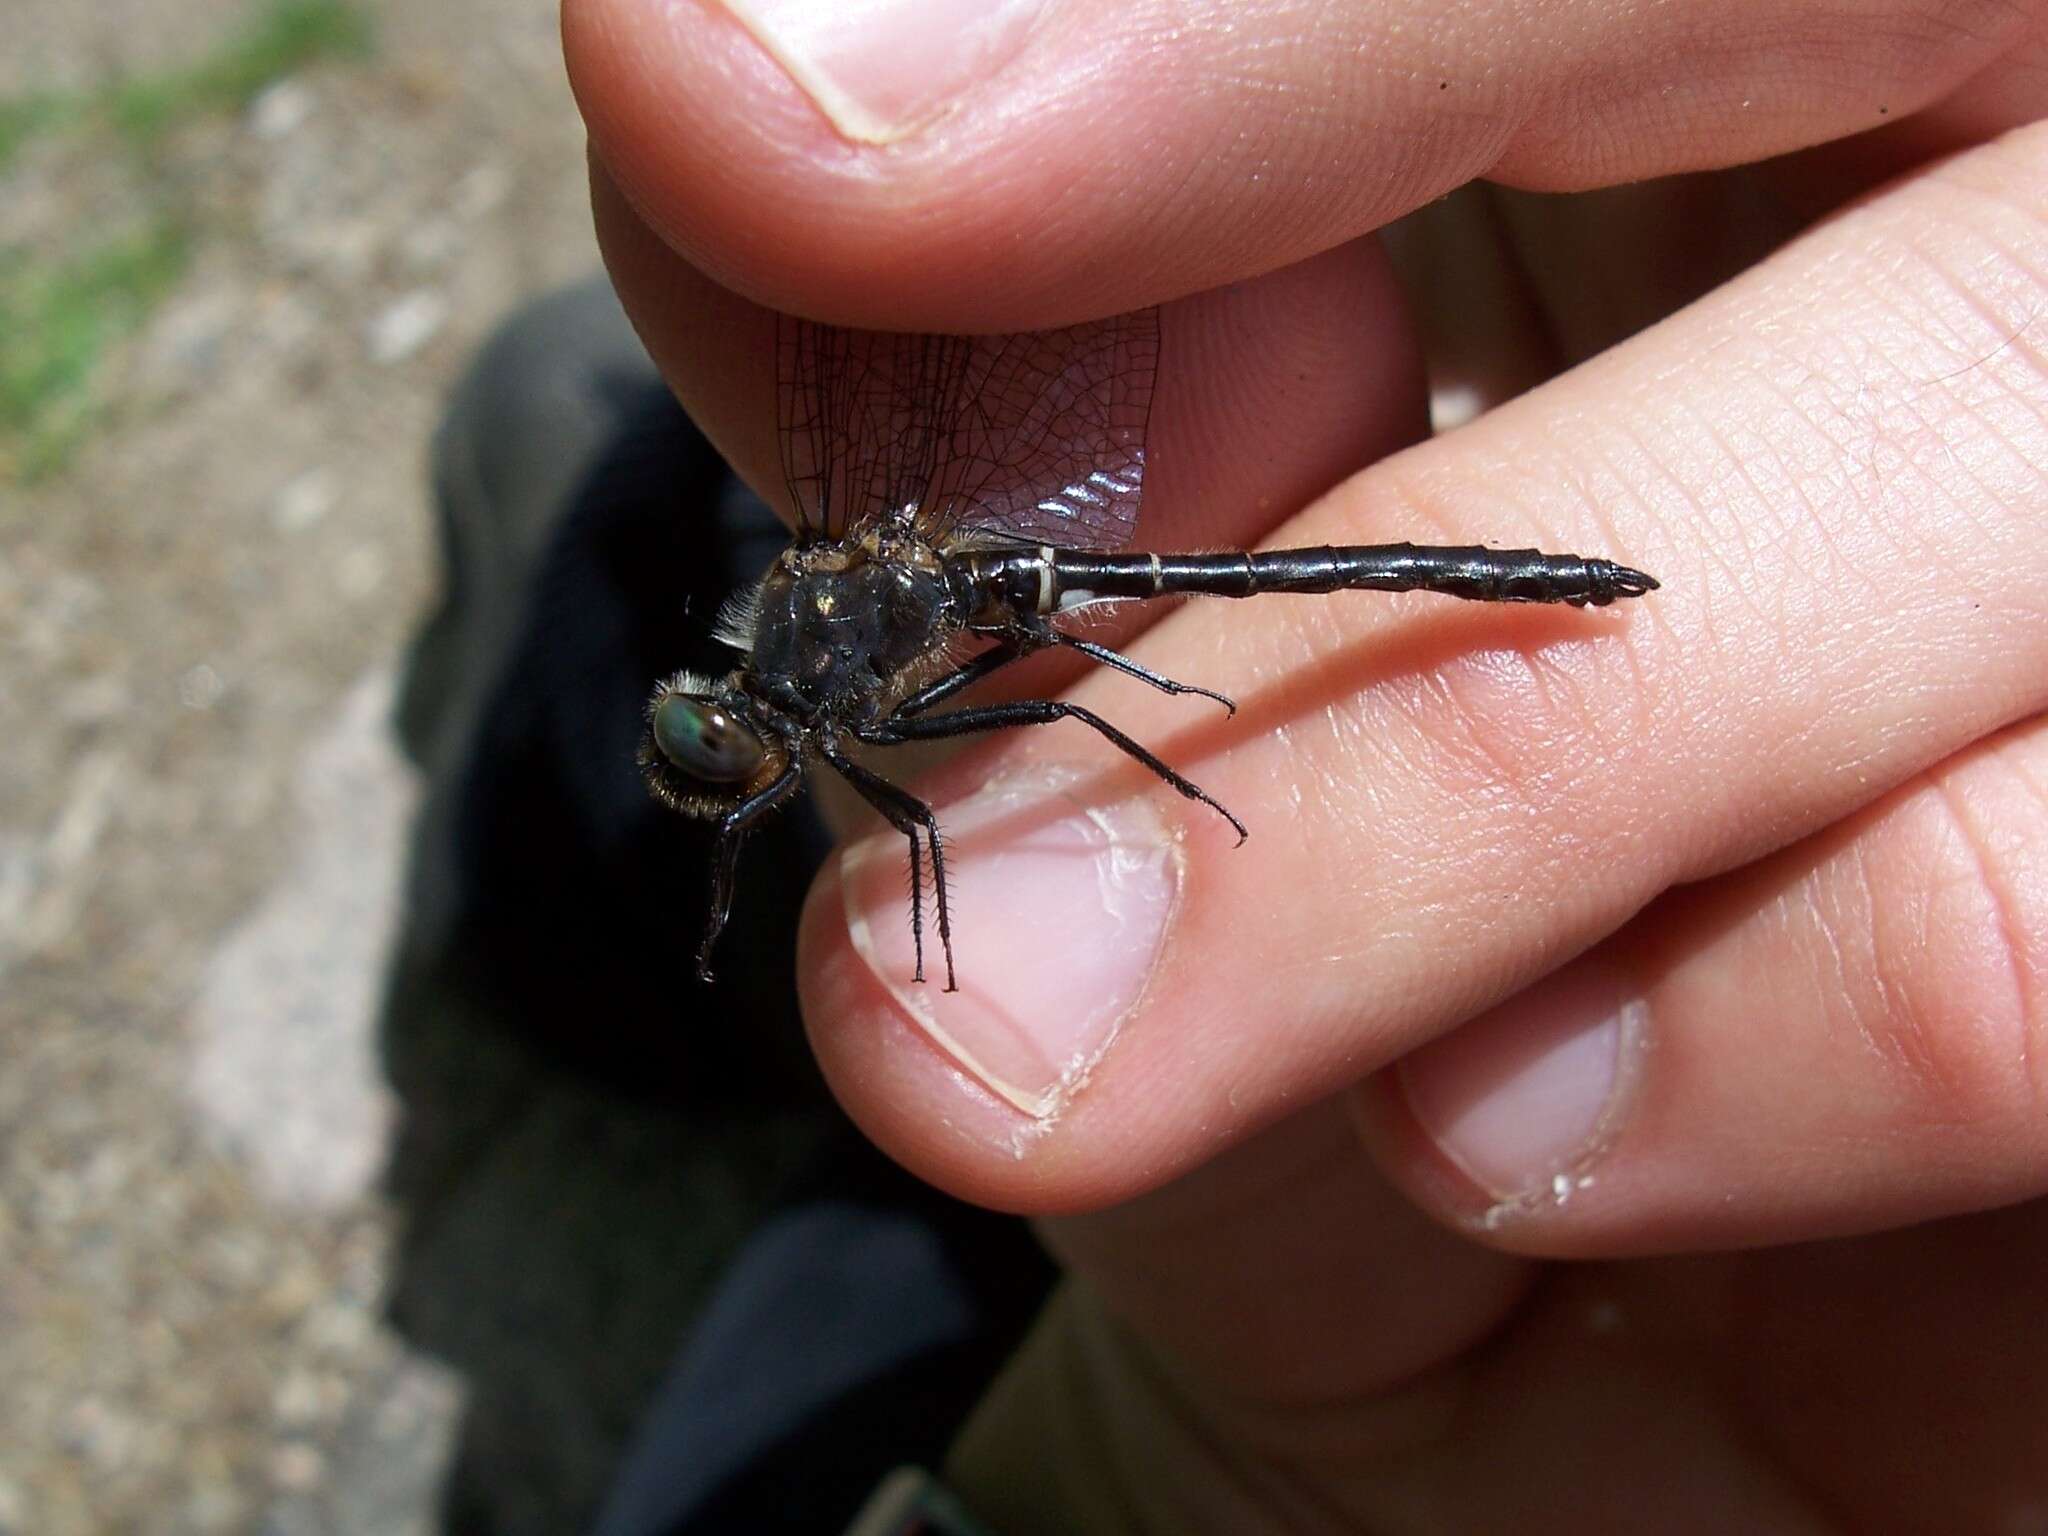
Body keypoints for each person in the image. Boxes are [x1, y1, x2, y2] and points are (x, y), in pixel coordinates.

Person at [552, 0, 2048, 1529]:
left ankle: (574, 553)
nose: (718, 751)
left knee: (1003, 742)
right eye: (709, 745)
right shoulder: (819, 670)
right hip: (1223, 1433)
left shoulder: (827, 667)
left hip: (1041, 577)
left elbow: (996, 771)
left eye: (709, 738)